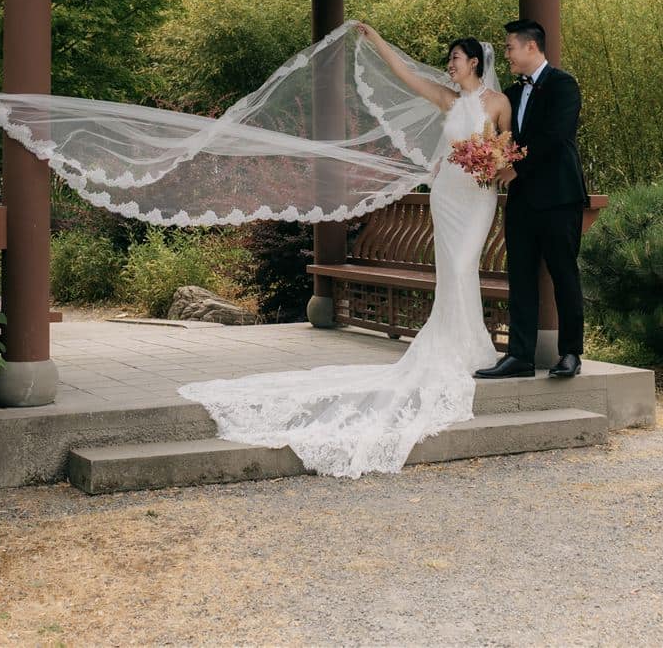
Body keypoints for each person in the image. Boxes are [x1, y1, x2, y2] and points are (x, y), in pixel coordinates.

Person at [173, 25, 511, 477]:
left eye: (454, 58)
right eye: (448, 59)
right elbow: (404, 74)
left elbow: (508, 150)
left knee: (465, 263)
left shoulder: (498, 104)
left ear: (474, 61)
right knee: (451, 269)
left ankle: (470, 347)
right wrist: (374, 39)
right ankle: (458, 346)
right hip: (447, 191)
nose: (449, 65)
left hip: (478, 194)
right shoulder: (448, 101)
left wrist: (496, 164)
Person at [475, 18, 589, 381]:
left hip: (558, 197)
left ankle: (571, 353)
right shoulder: (510, 93)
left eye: (509, 47)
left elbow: (557, 136)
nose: (506, 53)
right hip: (522, 201)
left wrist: (516, 168)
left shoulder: (564, 85)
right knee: (520, 278)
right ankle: (519, 356)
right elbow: (501, 140)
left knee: (564, 274)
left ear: (531, 47)